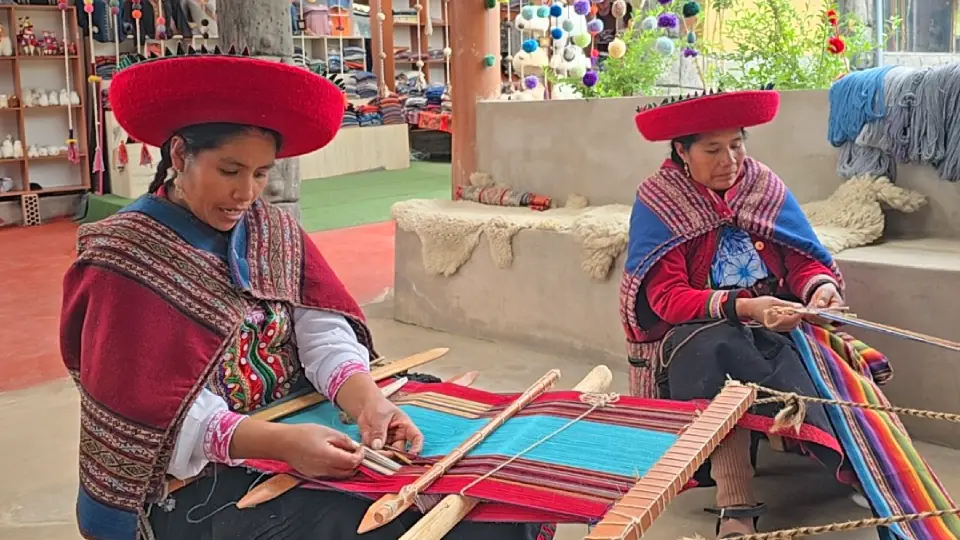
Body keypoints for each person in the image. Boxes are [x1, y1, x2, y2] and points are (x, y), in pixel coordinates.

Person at [60, 49, 554, 540]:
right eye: (229, 172)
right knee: (374, 527)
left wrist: (366, 401)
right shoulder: (125, 257)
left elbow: (319, 327)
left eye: (260, 174)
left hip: (305, 418)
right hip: (200, 473)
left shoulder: (271, 230)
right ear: (179, 156)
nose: (246, 193)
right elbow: (149, 413)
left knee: (495, 484)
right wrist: (280, 443)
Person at [620, 89, 958, 539]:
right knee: (718, 352)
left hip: (778, 323)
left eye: (737, 145)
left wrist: (819, 293)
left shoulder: (762, 185)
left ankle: (869, 471)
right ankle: (734, 502)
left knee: (832, 374)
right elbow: (666, 298)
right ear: (681, 151)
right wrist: (743, 307)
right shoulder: (660, 200)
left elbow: (804, 260)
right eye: (712, 150)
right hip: (697, 331)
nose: (730, 160)